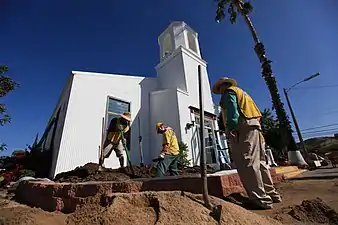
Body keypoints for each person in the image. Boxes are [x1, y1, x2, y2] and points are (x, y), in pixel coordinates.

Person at [212, 77, 281, 210]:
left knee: (247, 162)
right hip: (255, 127)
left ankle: (259, 199)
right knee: (260, 162)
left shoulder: (229, 93)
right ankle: (271, 194)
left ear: (222, 87)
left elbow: (232, 111)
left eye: (219, 90)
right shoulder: (243, 94)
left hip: (243, 127)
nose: (220, 92)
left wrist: (232, 128)